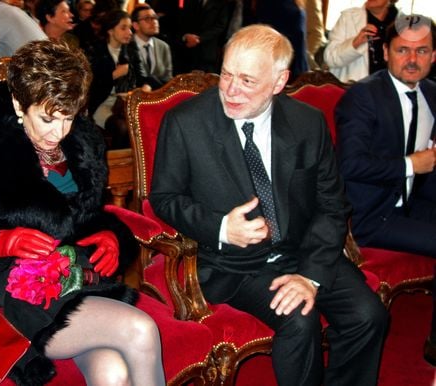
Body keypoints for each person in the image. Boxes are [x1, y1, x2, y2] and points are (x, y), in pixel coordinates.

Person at [150, 24, 388, 386]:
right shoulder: (186, 123)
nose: (229, 90)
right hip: (233, 264)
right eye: (226, 74)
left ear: (279, 82)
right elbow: (164, 198)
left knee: (368, 315)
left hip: (303, 250)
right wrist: (220, 227)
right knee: (298, 317)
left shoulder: (307, 123)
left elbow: (331, 205)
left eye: (246, 81)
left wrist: (310, 276)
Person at [0, 40, 165, 385]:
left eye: (68, 117)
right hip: (14, 293)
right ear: (20, 104)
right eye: (47, 118)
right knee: (140, 330)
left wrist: (112, 237)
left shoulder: (84, 144)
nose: (58, 132)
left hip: (76, 279)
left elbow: (87, 216)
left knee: (113, 373)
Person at [335, 14, 436, 366]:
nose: (412, 59)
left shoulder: (432, 94)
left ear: (434, 56)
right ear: (387, 53)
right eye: (402, 50)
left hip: (414, 202)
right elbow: (350, 165)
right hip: (371, 215)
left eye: (421, 50)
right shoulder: (364, 97)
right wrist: (412, 164)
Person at [87, 9, 150, 148]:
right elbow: (90, 85)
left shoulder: (131, 51)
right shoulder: (96, 51)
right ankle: (119, 167)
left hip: (127, 104)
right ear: (110, 30)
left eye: (130, 28)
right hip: (103, 104)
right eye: (123, 28)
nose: (129, 33)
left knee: (146, 124)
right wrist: (114, 75)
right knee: (122, 128)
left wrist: (145, 88)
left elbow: (143, 78)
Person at [324, 0, 399, 82]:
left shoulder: (402, 24)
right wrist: (355, 43)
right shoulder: (349, 17)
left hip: (390, 89)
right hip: (354, 89)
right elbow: (330, 58)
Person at [131, 4, 172, 90]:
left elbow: (168, 79)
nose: (154, 22)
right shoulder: (127, 45)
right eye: (147, 18)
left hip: (159, 98)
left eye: (155, 17)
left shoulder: (163, 46)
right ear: (136, 25)